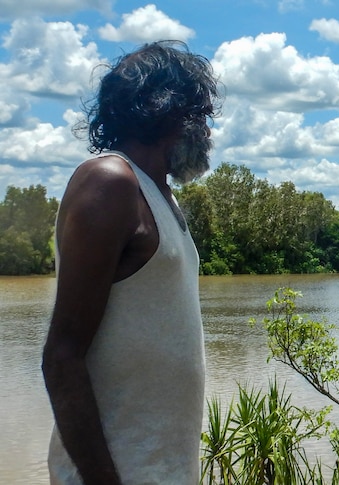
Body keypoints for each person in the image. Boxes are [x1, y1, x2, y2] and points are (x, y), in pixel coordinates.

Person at [42, 40, 221, 485]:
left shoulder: (159, 195)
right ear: (168, 111)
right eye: (198, 114)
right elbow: (61, 356)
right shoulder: (110, 182)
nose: (205, 129)